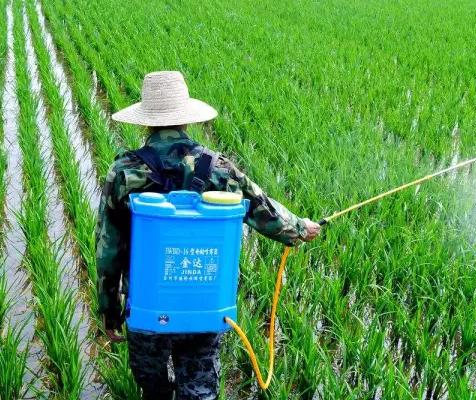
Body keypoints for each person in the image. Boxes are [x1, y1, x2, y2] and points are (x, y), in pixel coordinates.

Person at [96, 71, 321, 399]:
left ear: (146, 121)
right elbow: (263, 211)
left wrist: (109, 309)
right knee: (200, 388)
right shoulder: (219, 168)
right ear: (186, 119)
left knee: (152, 386)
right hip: (203, 304)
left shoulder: (125, 172)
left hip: (146, 306)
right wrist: (301, 228)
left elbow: (108, 247)